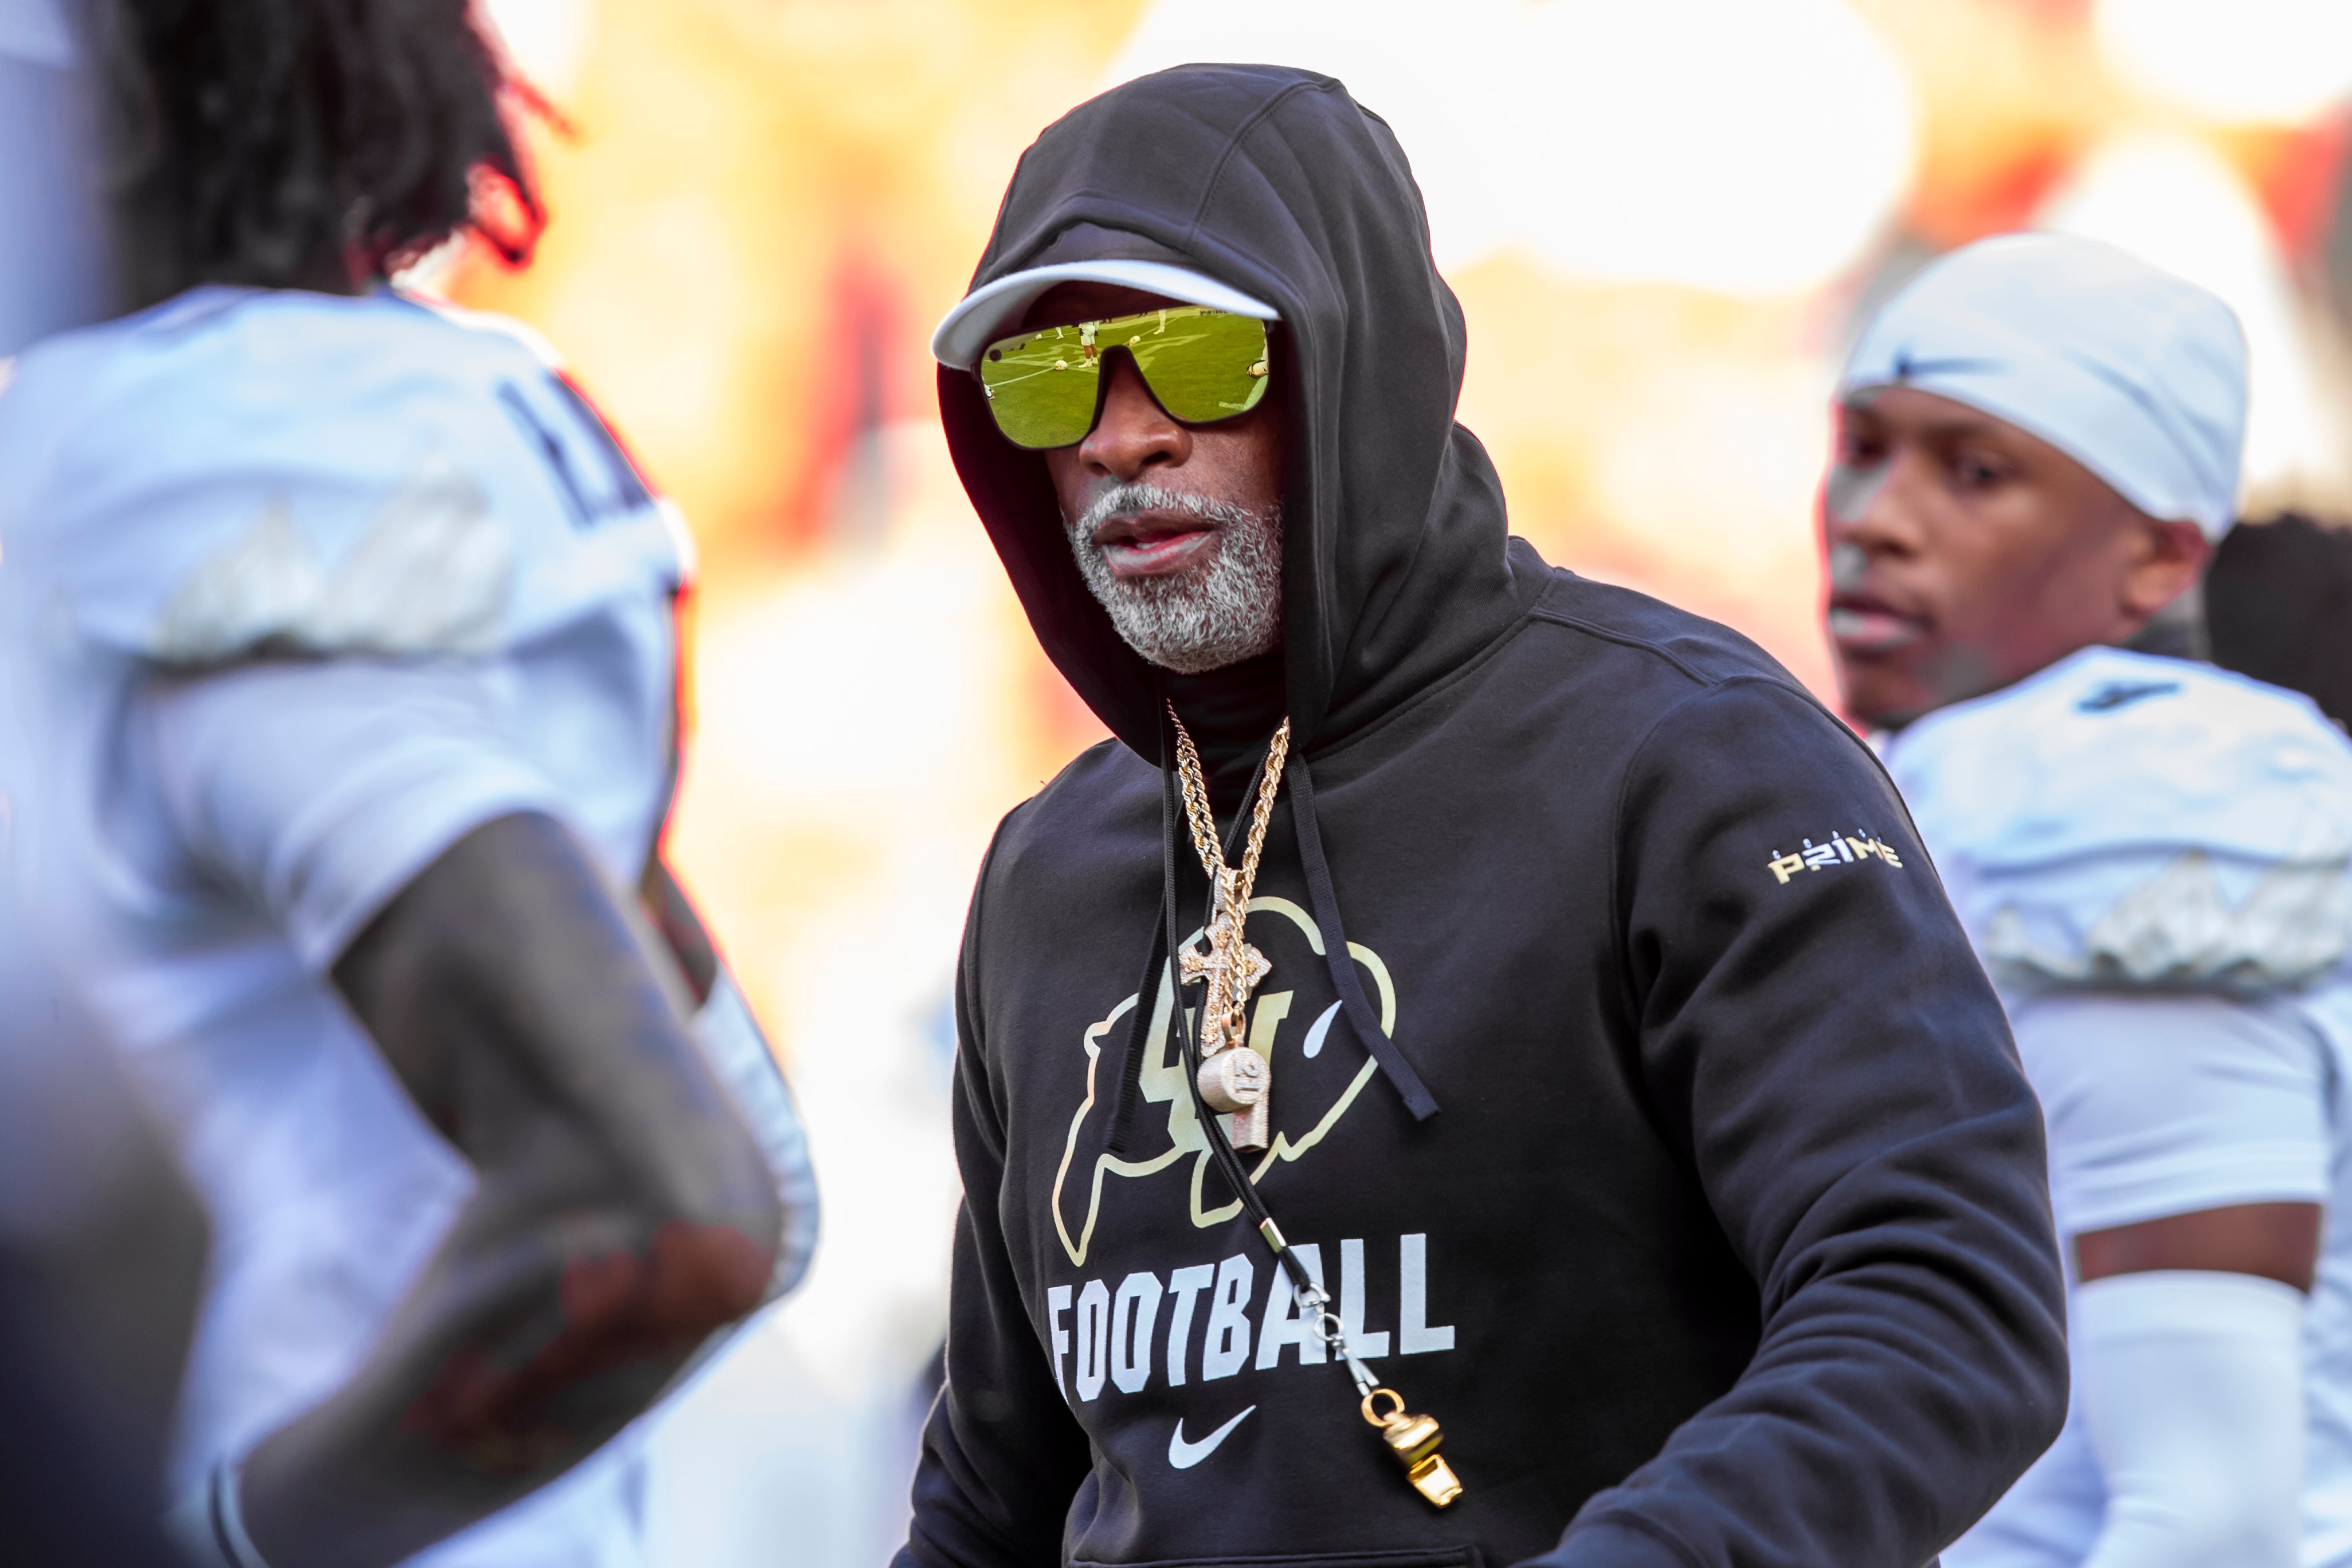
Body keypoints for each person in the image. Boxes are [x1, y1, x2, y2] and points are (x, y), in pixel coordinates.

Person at [897, 62, 2065, 1568]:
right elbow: (996, 1486)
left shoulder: (1685, 758)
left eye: (1194, 360)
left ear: (1351, 364)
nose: (1123, 435)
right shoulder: (1050, 872)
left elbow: (1943, 1302)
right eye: (1049, 383)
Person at [0, 2, 817, 1565]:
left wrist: (215, 1540)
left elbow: (684, 1214)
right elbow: (758, 1167)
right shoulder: (384, 436)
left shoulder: (211, 508)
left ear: (117, 105)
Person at [1825, 231, 2352, 1567]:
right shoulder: (1973, 767)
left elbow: (2210, 1513)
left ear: (2160, 561)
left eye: (1976, 472)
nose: (1874, 515)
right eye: (1865, 444)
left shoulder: (2129, 803)